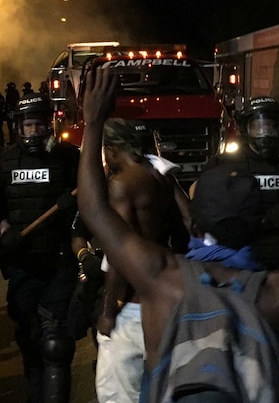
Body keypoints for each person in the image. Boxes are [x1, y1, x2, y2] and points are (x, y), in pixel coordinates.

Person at [77, 64, 279, 403]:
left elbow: (94, 208)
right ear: (258, 218)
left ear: (196, 222)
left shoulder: (161, 279)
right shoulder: (277, 293)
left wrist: (93, 121)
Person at [0, 92, 80, 403]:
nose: (35, 131)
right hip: (22, 263)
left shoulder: (67, 158)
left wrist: (74, 204)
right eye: (28, 126)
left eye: (40, 125)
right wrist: (2, 232)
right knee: (30, 339)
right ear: (18, 127)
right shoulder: (3, 162)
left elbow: (91, 203)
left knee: (56, 343)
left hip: (59, 260)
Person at [94, 117, 186, 403]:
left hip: (132, 302)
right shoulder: (160, 176)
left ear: (109, 150)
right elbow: (188, 219)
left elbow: (121, 253)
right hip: (164, 297)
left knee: (117, 392)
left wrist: (109, 310)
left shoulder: (121, 184)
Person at [204, 96, 279, 270]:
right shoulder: (221, 166)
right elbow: (203, 222)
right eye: (258, 128)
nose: (266, 134)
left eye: (272, 127)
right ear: (245, 129)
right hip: (237, 272)